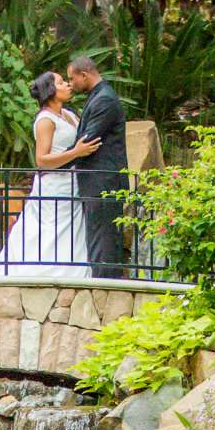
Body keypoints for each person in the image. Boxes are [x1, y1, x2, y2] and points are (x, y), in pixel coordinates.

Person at [0, 70, 100, 275]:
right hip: (55, 183)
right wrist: (76, 152)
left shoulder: (69, 115)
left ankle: (74, 271)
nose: (67, 85)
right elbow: (42, 160)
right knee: (50, 229)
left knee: (72, 229)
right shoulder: (45, 120)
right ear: (50, 90)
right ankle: (41, 271)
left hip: (73, 181)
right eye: (60, 83)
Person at [68, 55, 128, 279]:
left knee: (104, 240)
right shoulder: (98, 96)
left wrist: (57, 162)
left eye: (72, 78)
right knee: (98, 237)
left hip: (103, 181)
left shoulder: (105, 100)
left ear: (84, 75)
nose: (71, 84)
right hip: (96, 181)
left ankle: (106, 288)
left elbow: (87, 140)